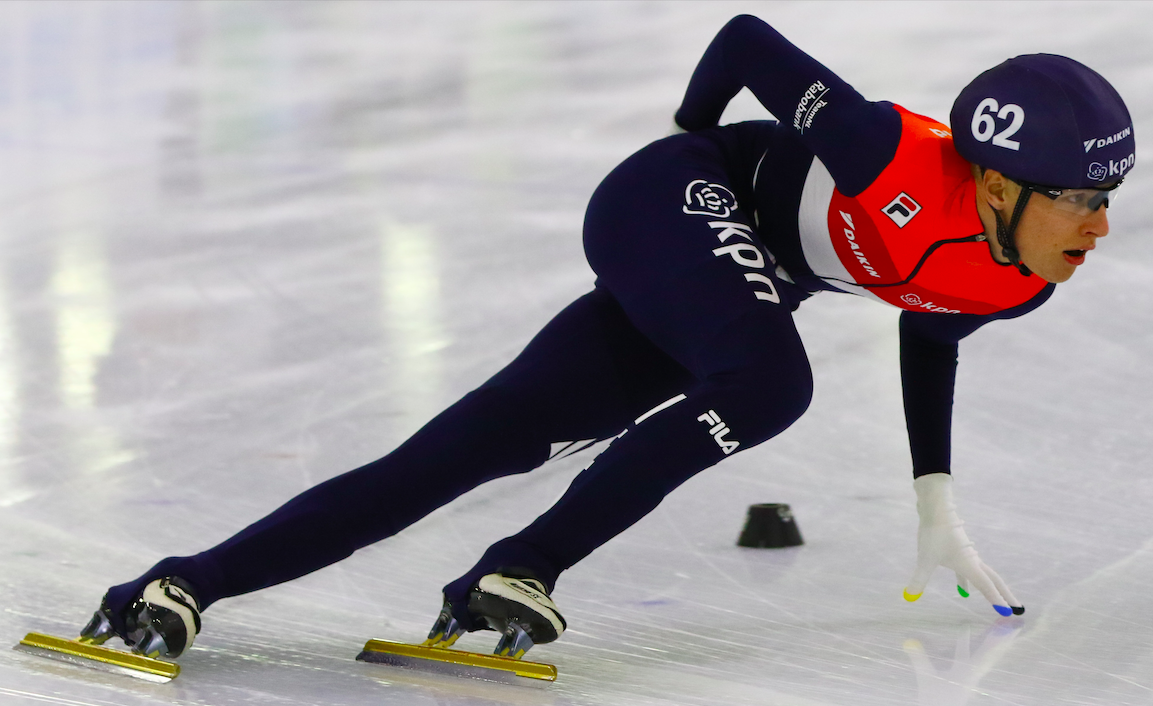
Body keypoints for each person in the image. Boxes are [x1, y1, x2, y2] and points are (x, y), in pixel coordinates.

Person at [79, 15, 1135, 661]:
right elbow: (746, 40)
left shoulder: (1029, 273)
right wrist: (687, 134)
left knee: (459, 452)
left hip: (729, 284)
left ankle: (179, 585)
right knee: (769, 381)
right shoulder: (883, 157)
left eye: (1111, 196)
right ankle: (528, 564)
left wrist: (934, 496)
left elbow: (934, 322)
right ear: (996, 180)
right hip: (680, 198)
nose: (1100, 224)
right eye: (1080, 197)